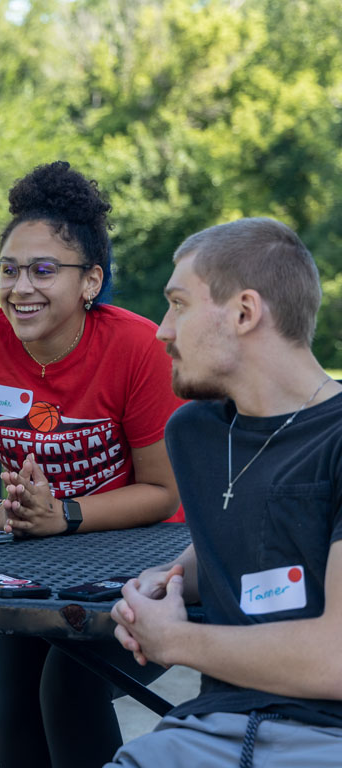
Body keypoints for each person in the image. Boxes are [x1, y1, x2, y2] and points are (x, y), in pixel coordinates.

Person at [0, 161, 184, 768]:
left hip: (146, 560)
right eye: (8, 270)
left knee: (68, 683)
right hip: (29, 556)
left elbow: (164, 493)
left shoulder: (139, 347)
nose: (20, 287)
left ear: (90, 281)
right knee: (15, 708)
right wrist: (9, 513)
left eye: (44, 270)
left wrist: (63, 513)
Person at [108, 217, 342, 768]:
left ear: (243, 312)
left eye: (179, 304)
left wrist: (175, 641)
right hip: (207, 731)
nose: (161, 330)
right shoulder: (195, 434)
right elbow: (262, 525)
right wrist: (167, 579)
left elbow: (336, 658)